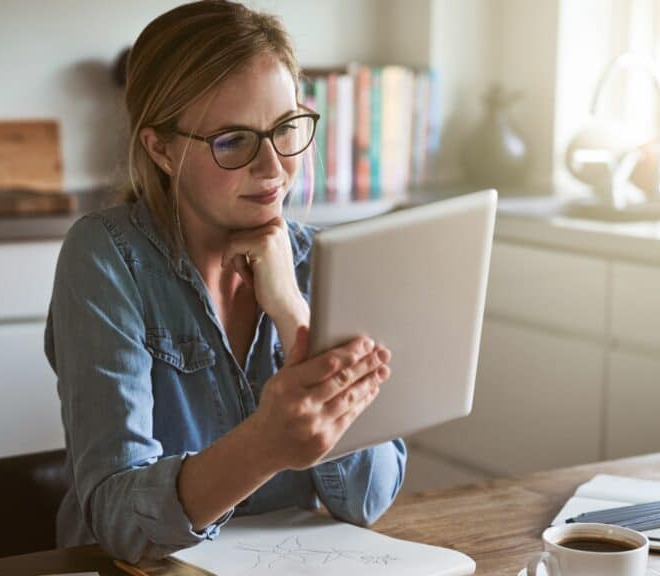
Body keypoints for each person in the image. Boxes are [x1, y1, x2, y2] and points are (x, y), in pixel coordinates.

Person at [44, 0, 406, 563]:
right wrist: (266, 443)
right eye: (234, 141)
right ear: (161, 149)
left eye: (285, 129)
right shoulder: (106, 258)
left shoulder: (323, 262)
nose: (273, 168)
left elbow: (369, 498)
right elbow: (118, 521)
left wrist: (294, 318)